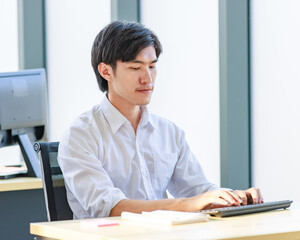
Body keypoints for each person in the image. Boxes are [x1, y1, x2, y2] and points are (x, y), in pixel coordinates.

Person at [58, 21, 263, 219]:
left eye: (152, 66)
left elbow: (197, 190)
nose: (147, 78)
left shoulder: (169, 132)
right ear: (106, 71)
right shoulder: (80, 136)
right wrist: (190, 204)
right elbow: (110, 208)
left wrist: (233, 198)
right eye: (135, 68)